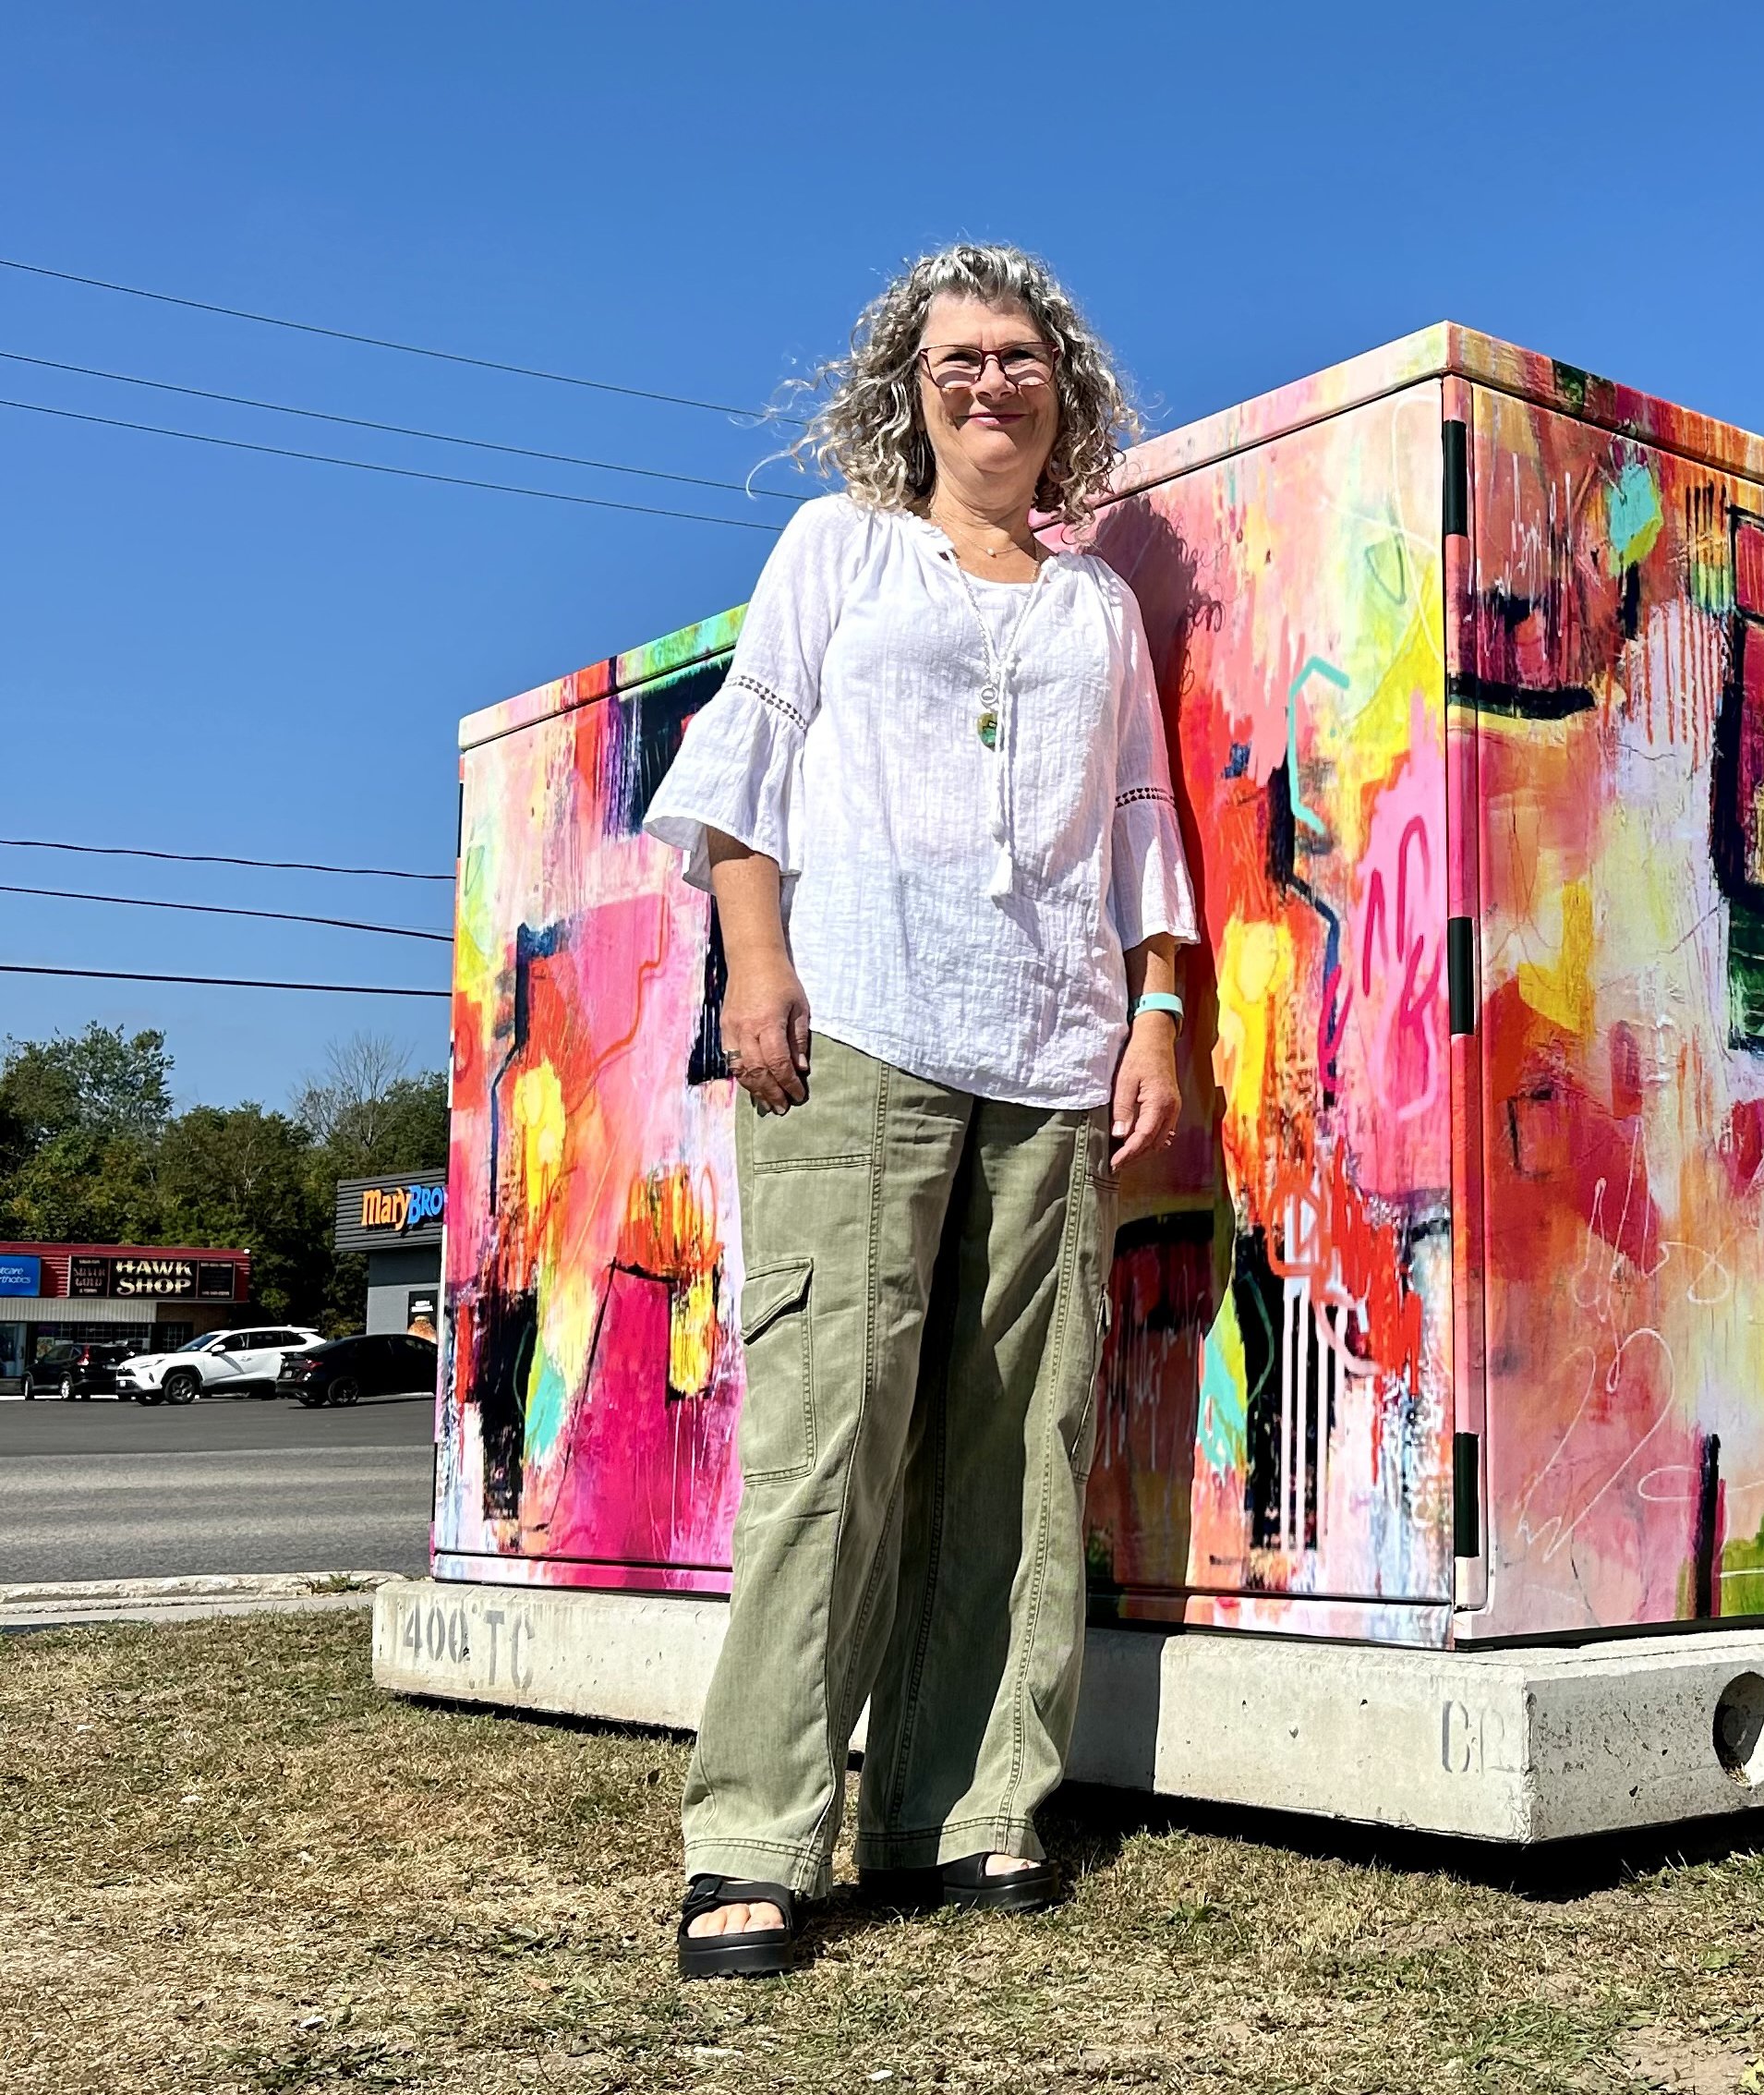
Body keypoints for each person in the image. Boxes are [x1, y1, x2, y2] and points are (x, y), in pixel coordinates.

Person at [642, 244, 1195, 1980]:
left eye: (1019, 356)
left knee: (1017, 1448)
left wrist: (1160, 1016)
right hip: (858, 1022)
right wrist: (754, 968)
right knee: (831, 1429)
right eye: (956, 358)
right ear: (911, 387)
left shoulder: (1099, 602)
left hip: (1052, 1050)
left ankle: (966, 1808)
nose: (988, 382)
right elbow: (748, 762)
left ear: (1063, 389)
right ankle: (755, 1836)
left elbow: (1138, 823)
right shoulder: (839, 548)